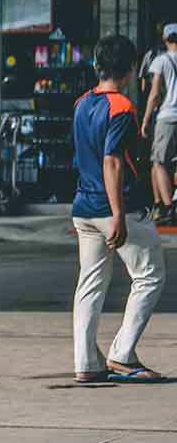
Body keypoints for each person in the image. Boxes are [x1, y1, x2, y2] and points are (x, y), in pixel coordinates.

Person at [71, 35, 165, 384]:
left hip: (83, 206)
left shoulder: (81, 103)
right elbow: (112, 162)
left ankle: (86, 363)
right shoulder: (122, 108)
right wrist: (119, 215)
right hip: (111, 206)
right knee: (150, 275)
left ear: (98, 65)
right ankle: (123, 354)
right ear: (128, 70)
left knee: (90, 284)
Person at [140, 23, 177, 225]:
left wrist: (145, 119)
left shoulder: (162, 61)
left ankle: (168, 208)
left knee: (159, 162)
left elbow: (154, 94)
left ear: (165, 39)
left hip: (168, 117)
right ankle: (164, 204)